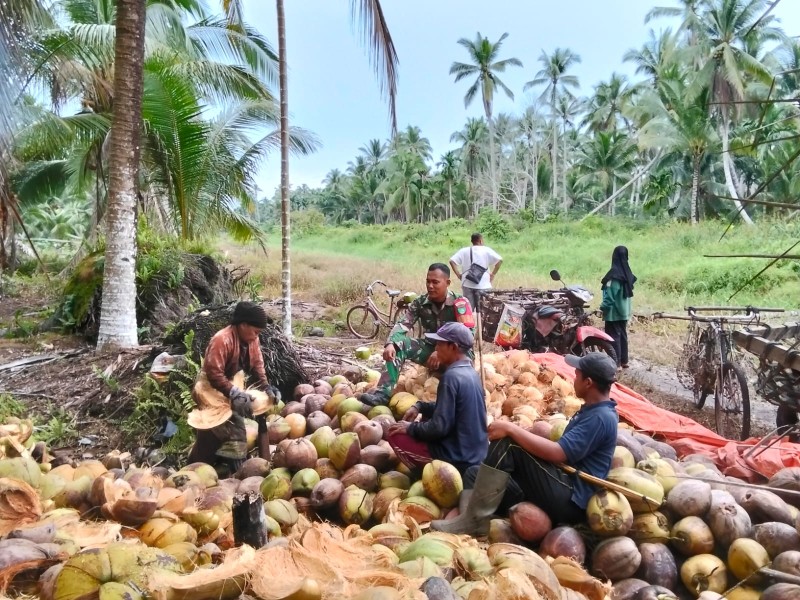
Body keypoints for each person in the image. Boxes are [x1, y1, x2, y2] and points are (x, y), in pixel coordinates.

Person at [432, 352, 619, 535]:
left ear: (588, 383)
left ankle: (473, 522)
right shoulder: (593, 410)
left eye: (577, 375)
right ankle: (470, 518)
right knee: (474, 473)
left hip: (571, 498)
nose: (573, 379)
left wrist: (513, 429)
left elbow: (558, 453)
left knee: (509, 444)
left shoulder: (601, 418)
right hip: (558, 482)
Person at [360, 263, 475, 407]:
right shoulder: (420, 302)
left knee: (465, 361)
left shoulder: (460, 303)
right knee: (398, 344)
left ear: (448, 283)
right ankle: (383, 394)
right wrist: (390, 343)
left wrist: (441, 352)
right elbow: (402, 325)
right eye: (428, 281)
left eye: (435, 282)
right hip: (431, 351)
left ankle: (462, 398)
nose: (430, 286)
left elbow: (468, 338)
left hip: (456, 355)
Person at [187, 302, 280, 472]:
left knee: (210, 437)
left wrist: (267, 387)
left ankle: (195, 465)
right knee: (234, 427)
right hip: (209, 389)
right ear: (243, 325)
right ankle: (237, 468)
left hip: (230, 384)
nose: (256, 336)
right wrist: (233, 393)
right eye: (255, 331)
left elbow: (258, 365)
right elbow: (214, 373)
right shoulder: (222, 339)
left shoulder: (251, 339)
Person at [386, 322, 488, 475]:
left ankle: (428, 476)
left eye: (439, 344)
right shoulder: (471, 373)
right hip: (476, 454)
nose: (435, 348)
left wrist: (410, 427)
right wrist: (420, 406)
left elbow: (439, 427)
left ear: (453, 347)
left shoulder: (451, 377)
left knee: (395, 435)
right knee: (425, 417)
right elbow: (450, 409)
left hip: (459, 459)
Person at [600, 245, 637, 368]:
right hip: (624, 311)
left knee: (613, 336)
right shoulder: (627, 273)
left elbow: (610, 296)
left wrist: (602, 307)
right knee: (622, 335)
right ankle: (624, 361)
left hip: (614, 313)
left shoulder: (615, 276)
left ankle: (615, 363)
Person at [449, 233, 503, 314]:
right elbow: (500, 261)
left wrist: (459, 275)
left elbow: (452, 261)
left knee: (469, 311)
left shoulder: (464, 251)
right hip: (484, 285)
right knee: (484, 312)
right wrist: (493, 274)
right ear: (481, 240)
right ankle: (482, 326)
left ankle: (471, 326)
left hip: (467, 284)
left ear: (472, 241)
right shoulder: (486, 250)